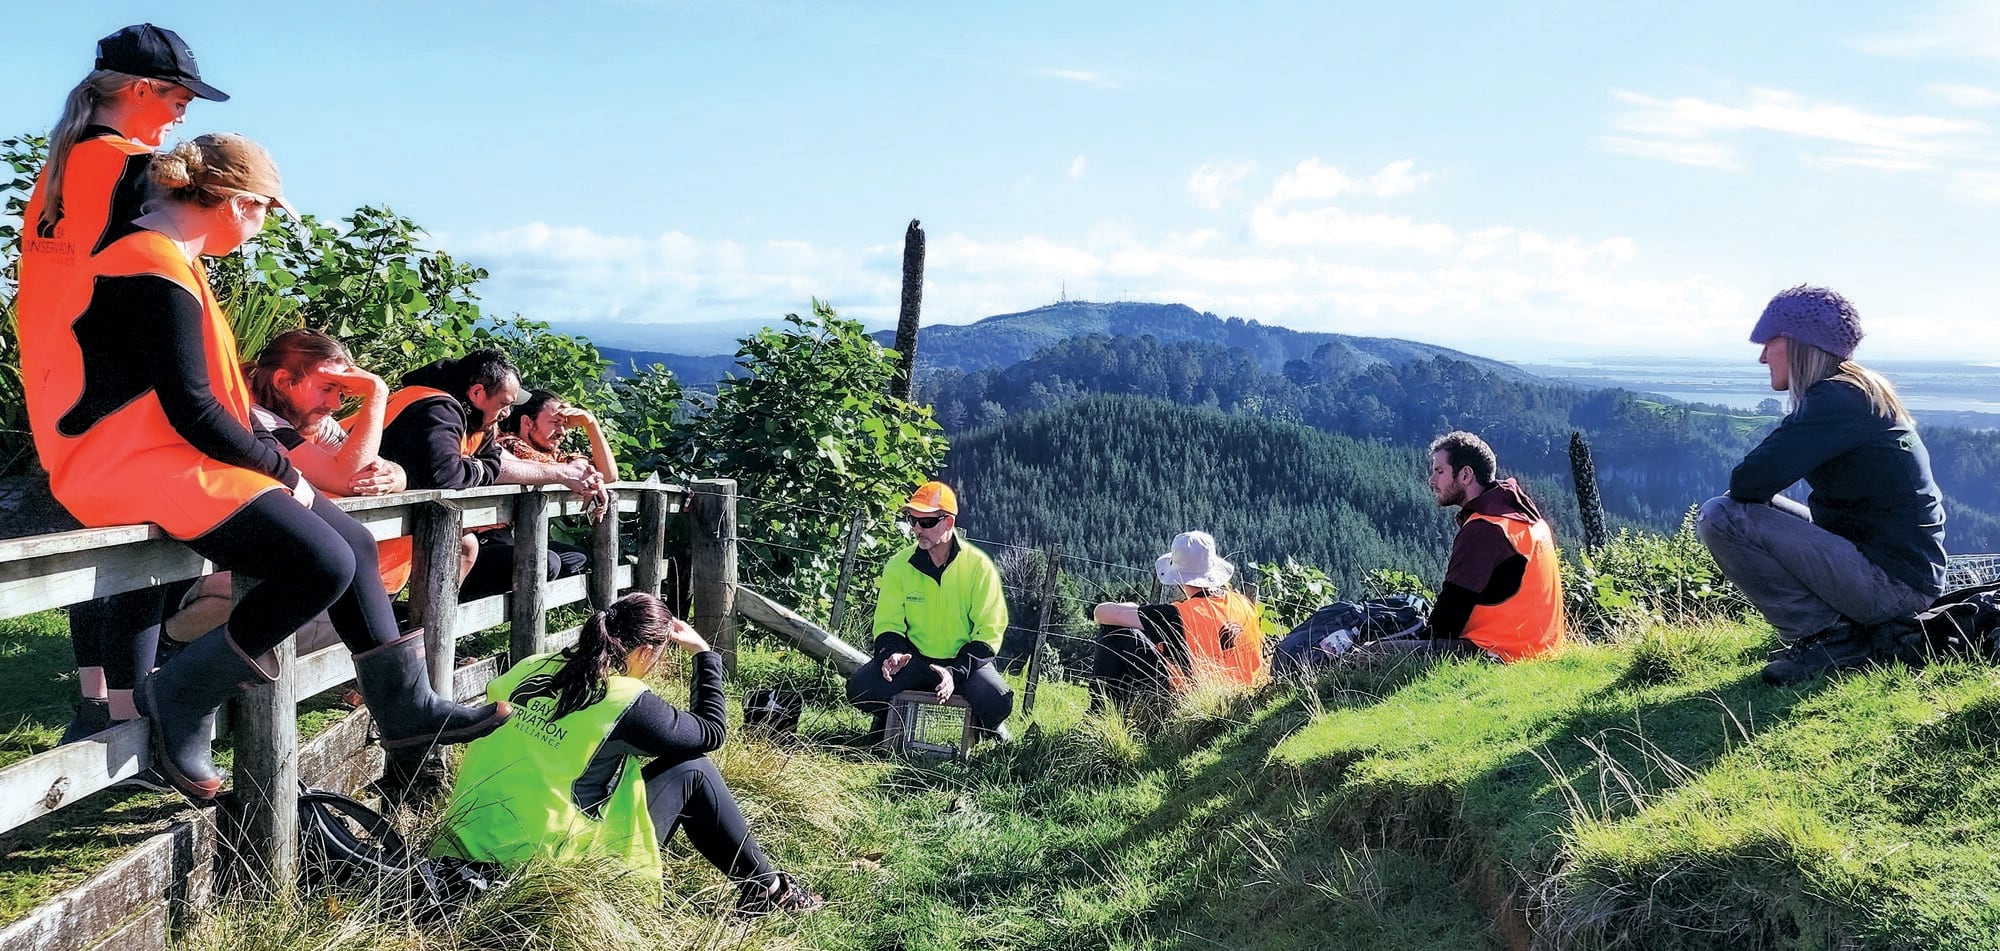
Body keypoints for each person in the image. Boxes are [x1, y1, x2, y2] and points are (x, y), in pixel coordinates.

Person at [19, 132, 509, 799]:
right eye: (265, 211)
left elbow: (205, 406)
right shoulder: (149, 263)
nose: (263, 225)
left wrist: (281, 468)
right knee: (324, 561)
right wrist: (287, 473)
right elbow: (194, 409)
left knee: (358, 544)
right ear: (235, 201)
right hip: (136, 463)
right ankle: (182, 697)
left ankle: (405, 709)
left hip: (173, 455)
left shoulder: (171, 258)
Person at [16, 24, 226, 744]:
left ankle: (95, 699)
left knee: (99, 550)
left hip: (57, 385)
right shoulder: (139, 169)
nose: (183, 111)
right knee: (150, 550)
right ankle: (135, 711)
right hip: (120, 394)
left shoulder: (56, 169)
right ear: (138, 89)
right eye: (176, 95)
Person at [432, 592, 822, 915]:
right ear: (645, 652)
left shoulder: (528, 667)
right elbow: (711, 732)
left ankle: (769, 889)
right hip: (541, 865)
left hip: (462, 843)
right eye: (662, 653)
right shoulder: (623, 700)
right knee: (694, 769)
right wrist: (705, 654)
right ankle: (771, 890)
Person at [160, 329, 477, 658]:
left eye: (341, 392)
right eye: (328, 389)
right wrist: (377, 392)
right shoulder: (255, 418)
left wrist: (397, 474)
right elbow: (348, 477)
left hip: (256, 558)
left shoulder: (309, 420)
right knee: (309, 586)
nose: (335, 404)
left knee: (325, 586)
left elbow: (365, 470)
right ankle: (168, 651)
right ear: (284, 381)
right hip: (196, 565)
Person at [1695, 285, 1946, 685]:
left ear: (1798, 345)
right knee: (1734, 509)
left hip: (1895, 588)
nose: (1762, 357)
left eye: (1768, 343)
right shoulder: (1855, 391)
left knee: (1721, 516)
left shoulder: (1835, 400)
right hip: (1904, 575)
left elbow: (1749, 481)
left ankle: (1829, 638)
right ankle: (1837, 631)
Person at [376, 350, 606, 601]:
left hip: (388, 555)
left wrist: (572, 473)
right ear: (476, 393)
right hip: (367, 541)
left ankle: (438, 624)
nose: (508, 413)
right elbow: (446, 474)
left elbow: (493, 463)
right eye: (504, 403)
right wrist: (480, 468)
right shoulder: (436, 409)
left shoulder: (474, 420)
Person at [1370, 431, 1565, 662]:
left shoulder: (1484, 529)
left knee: (1371, 653)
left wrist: (1409, 642)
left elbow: (1449, 616)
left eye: (1439, 471)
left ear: (1465, 475)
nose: (1432, 481)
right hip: (1543, 649)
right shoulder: (1521, 514)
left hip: (1502, 654)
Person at [845, 481, 1013, 738]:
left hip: (963, 667)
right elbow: (887, 624)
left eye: (926, 523)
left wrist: (954, 673)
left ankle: (987, 726)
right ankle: (887, 716)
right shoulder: (898, 566)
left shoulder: (979, 567)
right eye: (912, 520)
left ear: (948, 523)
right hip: (913, 661)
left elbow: (989, 633)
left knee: (998, 700)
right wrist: (892, 654)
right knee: (859, 689)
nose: (916, 528)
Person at [1089, 531, 1264, 713]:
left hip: (1195, 699)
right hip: (1248, 694)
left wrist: (1133, 606)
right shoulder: (1243, 603)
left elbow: (1101, 613)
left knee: (1113, 631)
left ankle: (1101, 712)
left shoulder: (1176, 615)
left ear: (1179, 577)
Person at [493, 388, 619, 569]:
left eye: (565, 425)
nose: (563, 432)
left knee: (578, 558)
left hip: (516, 536)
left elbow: (609, 475)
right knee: (548, 562)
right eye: (555, 423)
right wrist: (590, 479)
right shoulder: (507, 444)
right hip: (491, 538)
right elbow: (567, 471)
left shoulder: (554, 456)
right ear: (527, 422)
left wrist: (591, 424)